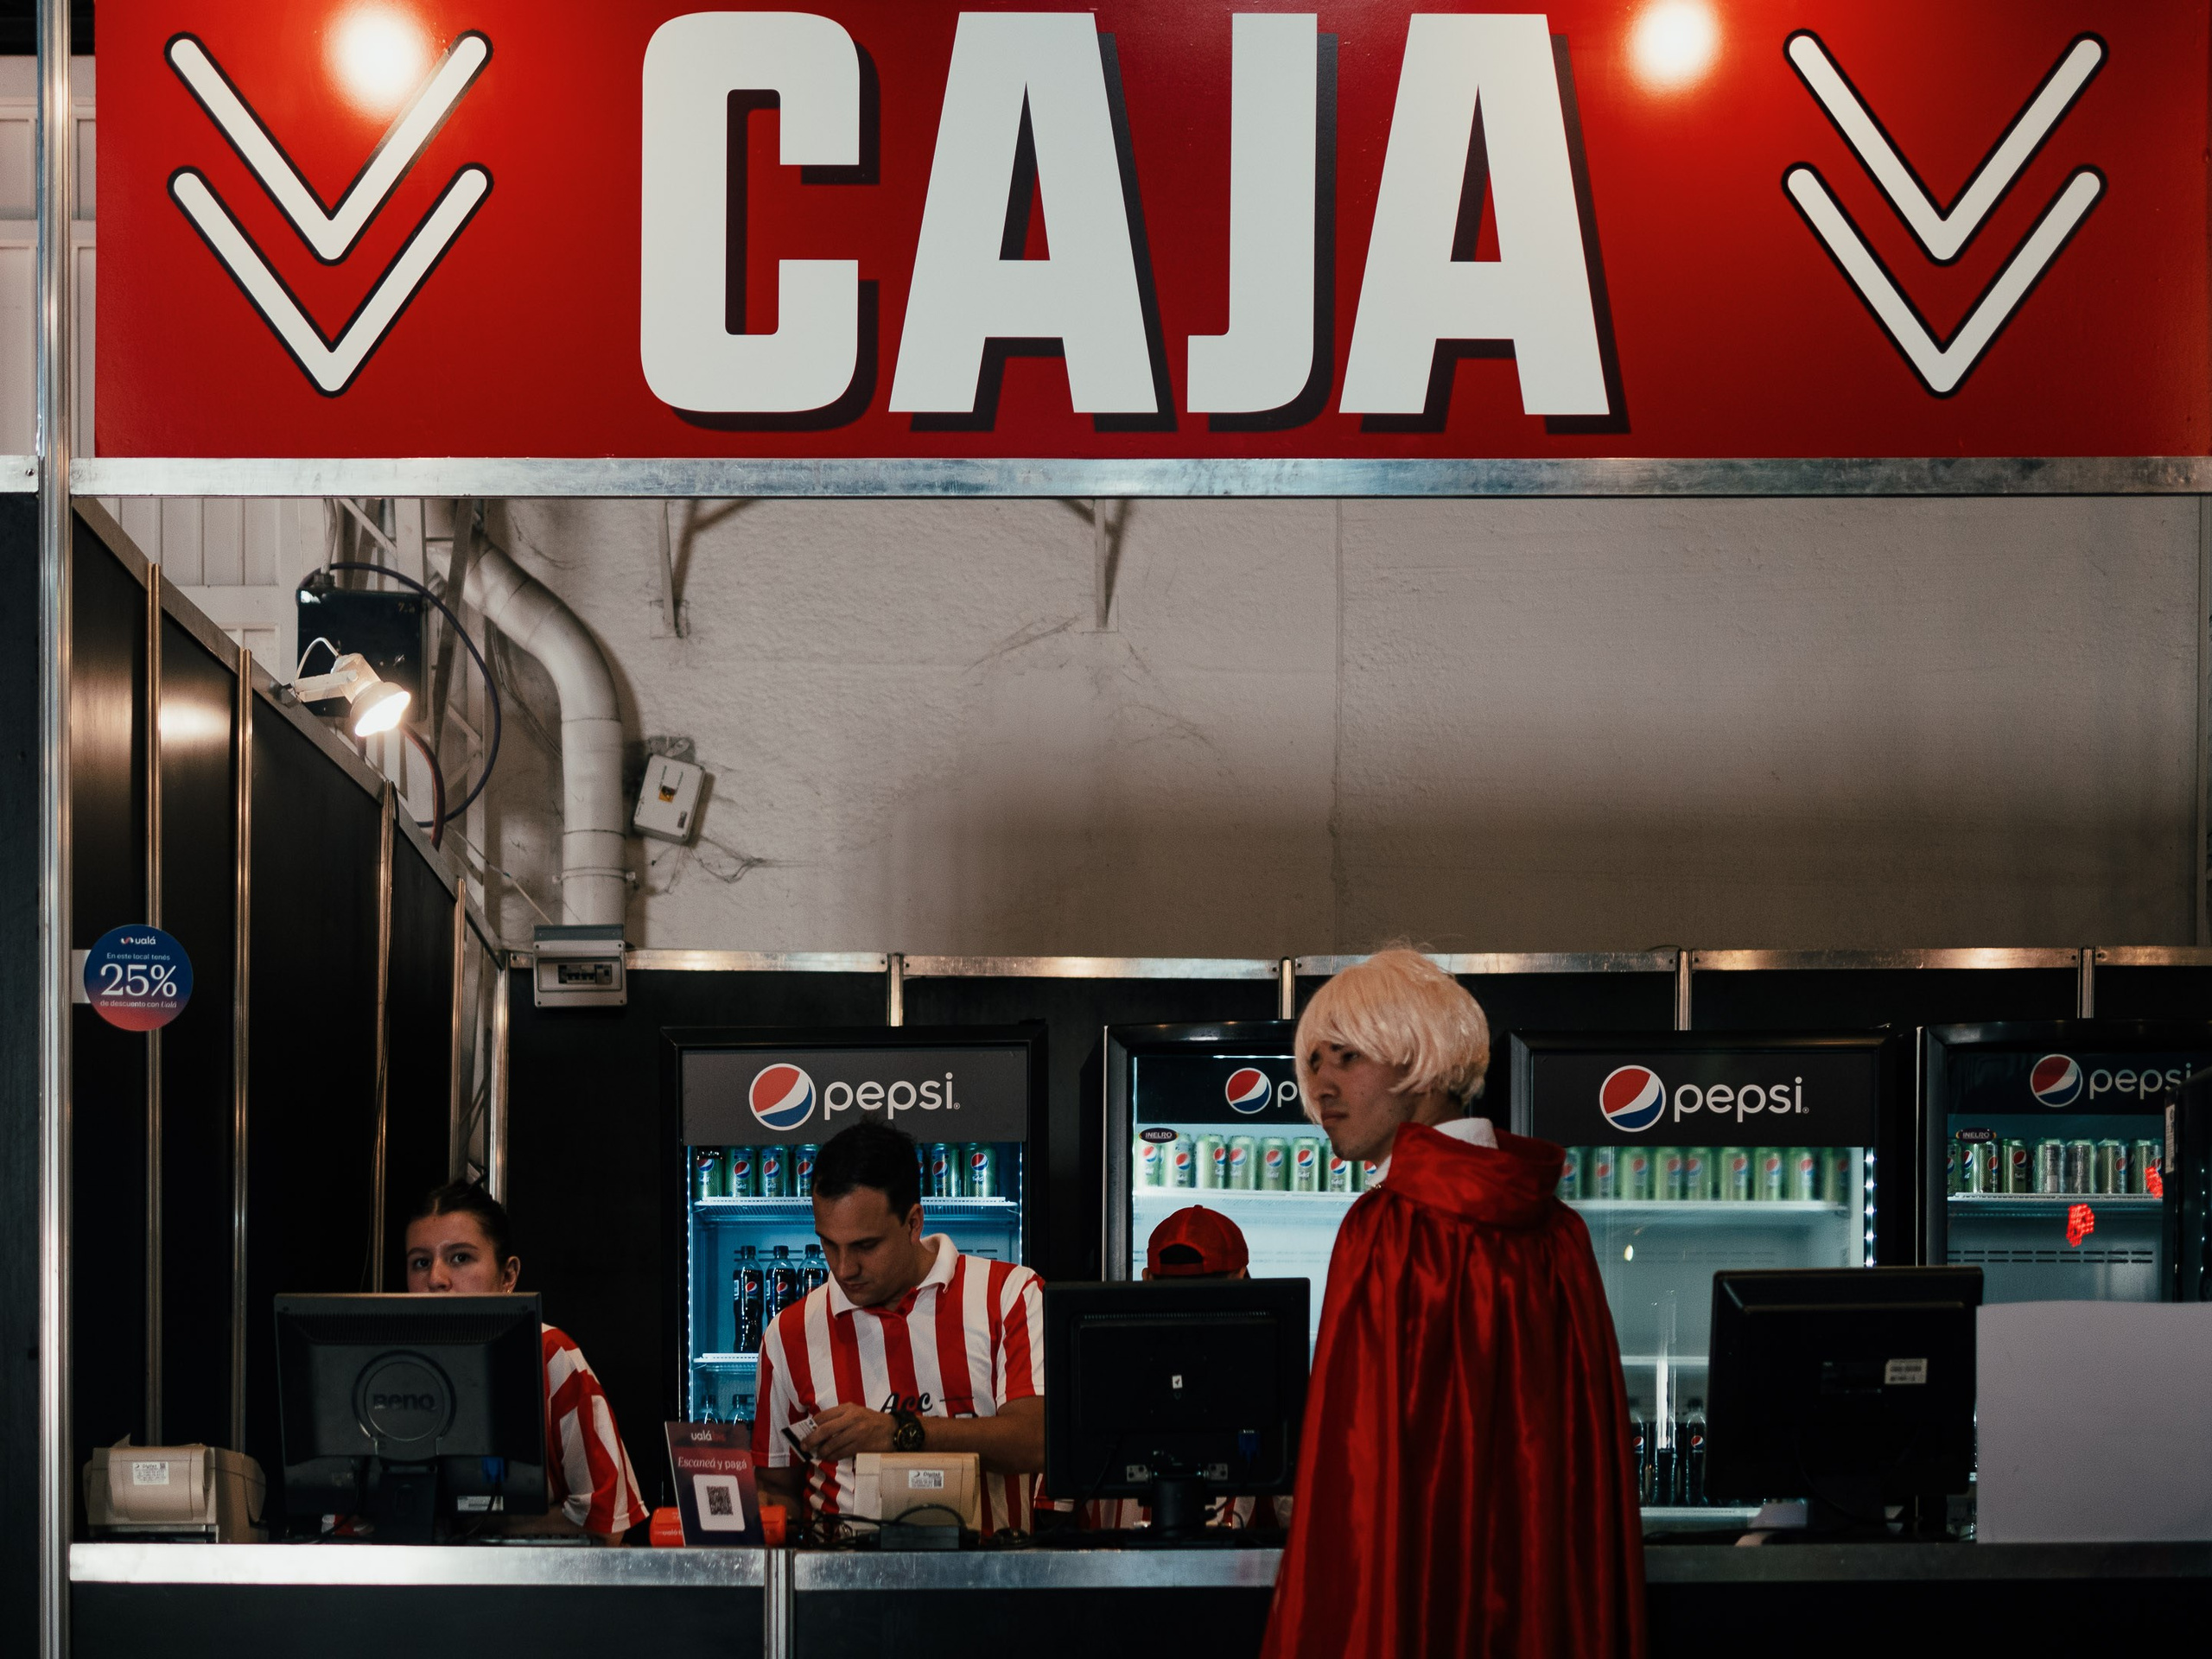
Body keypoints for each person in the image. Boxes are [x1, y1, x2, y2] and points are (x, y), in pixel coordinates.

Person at [1261, 950, 1643, 1659]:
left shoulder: (1387, 1229)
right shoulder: (1559, 1232)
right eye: (1313, 1063)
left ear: (1421, 1063)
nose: (1320, 1087)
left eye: (1346, 1057)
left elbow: (1358, 1478)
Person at [752, 1122, 1046, 1535]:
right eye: (828, 1244)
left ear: (913, 1223)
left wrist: (897, 1432)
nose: (842, 1268)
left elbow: (1036, 1440)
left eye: (865, 1246)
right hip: (839, 1590)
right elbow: (776, 1487)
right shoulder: (788, 1332)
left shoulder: (1010, 1294)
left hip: (990, 1583)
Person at [405, 1180, 649, 1543]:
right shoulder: (387, 1365)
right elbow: (344, 1521)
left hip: (532, 1592)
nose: (436, 1279)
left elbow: (608, 1523)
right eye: (421, 1262)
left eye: (460, 1257)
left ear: (508, 1276)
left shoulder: (552, 1354)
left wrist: (473, 1524)